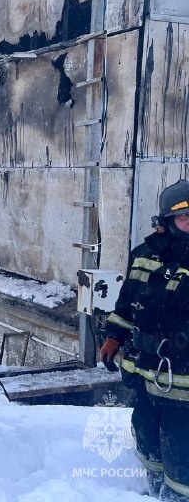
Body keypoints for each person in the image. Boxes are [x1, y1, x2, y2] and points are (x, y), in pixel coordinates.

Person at [101, 178, 189, 500]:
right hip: (144, 373)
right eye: (184, 218)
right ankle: (151, 494)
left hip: (183, 381)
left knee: (182, 455)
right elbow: (126, 305)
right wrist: (113, 336)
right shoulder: (144, 254)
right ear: (166, 222)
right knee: (147, 440)